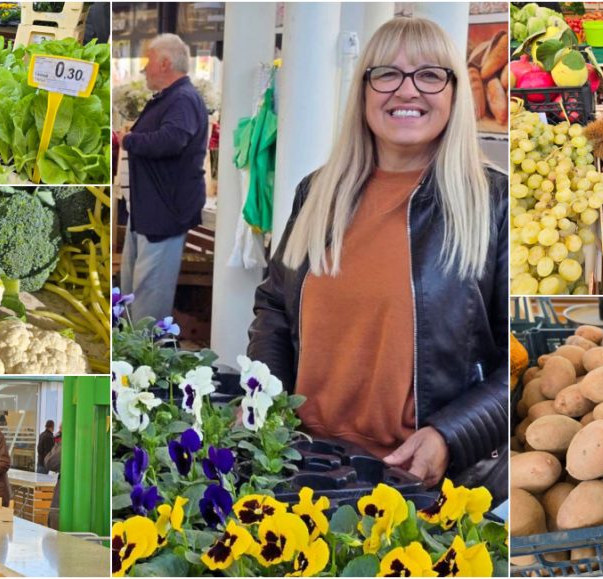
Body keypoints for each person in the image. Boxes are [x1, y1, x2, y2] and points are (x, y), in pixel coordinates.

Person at [247, 17, 508, 496]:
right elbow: (274, 310)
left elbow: (520, 361)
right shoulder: (319, 192)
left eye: (430, 75)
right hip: (298, 466)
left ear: (454, 92)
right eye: (386, 73)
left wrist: (451, 435)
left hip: (416, 484)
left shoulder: (493, 204)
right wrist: (271, 407)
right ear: (364, 90)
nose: (406, 91)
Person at [115, 33, 209, 322]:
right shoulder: (173, 98)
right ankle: (128, 358)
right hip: (148, 211)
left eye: (148, 61)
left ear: (166, 63)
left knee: (148, 299)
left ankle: (142, 362)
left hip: (164, 213)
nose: (144, 69)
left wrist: (130, 140)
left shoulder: (183, 99)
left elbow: (173, 139)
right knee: (133, 291)